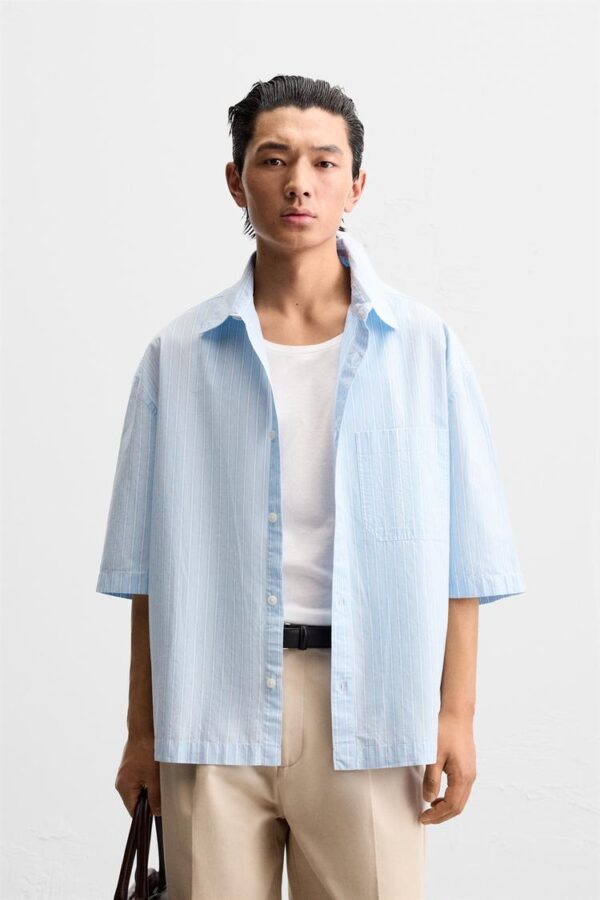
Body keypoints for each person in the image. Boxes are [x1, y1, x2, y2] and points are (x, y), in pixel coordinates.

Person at [96, 74, 526, 899]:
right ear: (236, 181)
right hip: (211, 706)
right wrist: (141, 733)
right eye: (274, 159)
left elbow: (466, 560)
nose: (300, 182)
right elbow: (148, 572)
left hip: (371, 707)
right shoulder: (177, 357)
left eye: (325, 162)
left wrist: (456, 715)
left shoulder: (424, 349)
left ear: (356, 185)